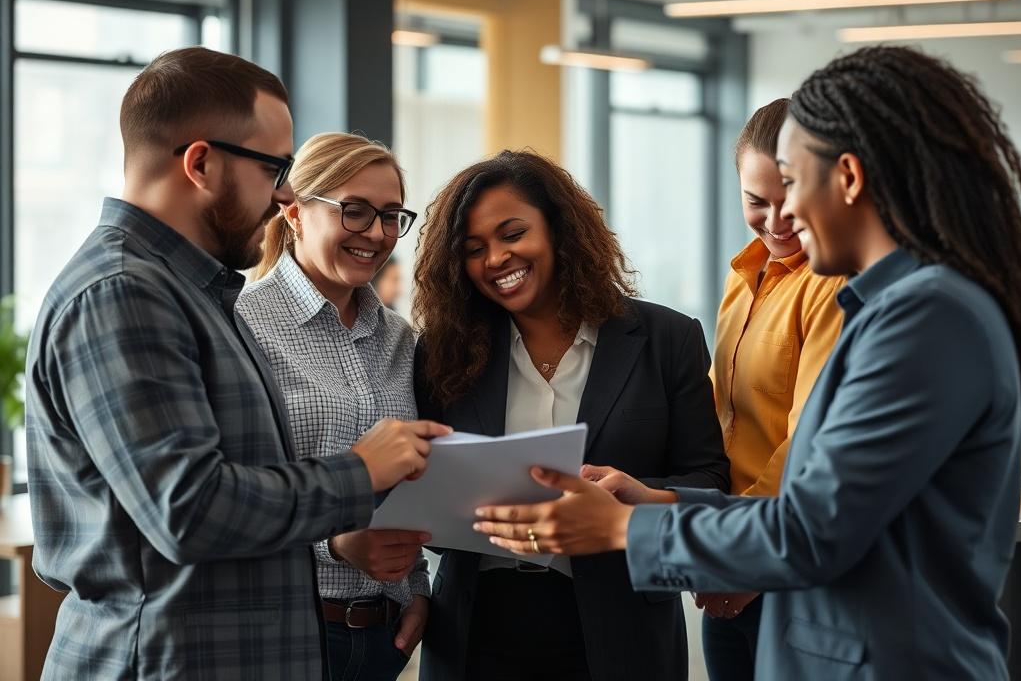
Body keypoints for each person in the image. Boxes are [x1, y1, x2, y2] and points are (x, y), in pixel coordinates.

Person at [474, 46, 1021, 679]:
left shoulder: (925, 317)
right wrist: (656, 505)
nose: (781, 216)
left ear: (846, 177)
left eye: (791, 182)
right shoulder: (893, 307)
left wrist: (622, 529)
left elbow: (812, 531)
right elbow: (821, 510)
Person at [24, 47, 449, 680]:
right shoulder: (124, 292)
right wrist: (359, 472)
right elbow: (190, 509)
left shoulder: (190, 293)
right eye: (275, 169)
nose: (282, 193)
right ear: (200, 163)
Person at [412, 150, 730, 681]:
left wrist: (633, 497)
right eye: (474, 249)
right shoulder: (443, 354)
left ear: (559, 229)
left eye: (513, 234)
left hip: (622, 627)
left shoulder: (666, 339)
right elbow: (427, 505)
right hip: (476, 630)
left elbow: (710, 478)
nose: (495, 259)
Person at [236, 132, 427, 681]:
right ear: (294, 212)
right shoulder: (243, 327)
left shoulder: (400, 339)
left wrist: (416, 590)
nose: (376, 234)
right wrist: (337, 542)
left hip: (384, 636)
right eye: (355, 212)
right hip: (285, 633)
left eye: (391, 216)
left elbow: (409, 486)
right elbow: (233, 490)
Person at [693, 98, 844, 680]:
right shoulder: (745, 278)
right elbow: (717, 408)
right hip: (731, 544)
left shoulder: (830, 282)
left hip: (783, 559)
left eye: (790, 199)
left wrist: (745, 556)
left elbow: (812, 440)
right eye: (757, 202)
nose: (776, 221)